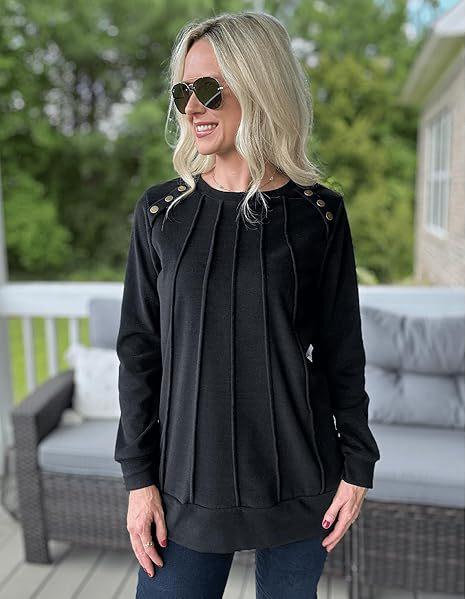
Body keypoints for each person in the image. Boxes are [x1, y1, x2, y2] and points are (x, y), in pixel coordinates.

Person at [114, 10, 380, 599]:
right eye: (182, 92)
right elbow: (139, 352)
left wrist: (358, 462)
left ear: (258, 86)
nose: (191, 107)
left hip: (302, 479)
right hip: (185, 484)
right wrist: (138, 478)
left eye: (208, 89)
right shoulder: (161, 213)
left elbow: (343, 350)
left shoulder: (320, 214)